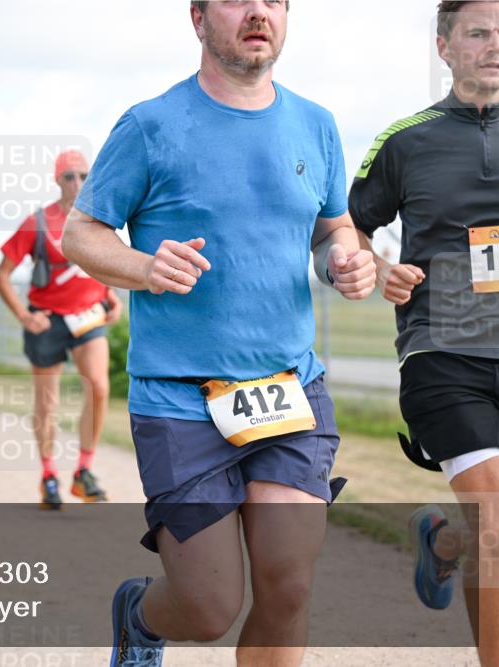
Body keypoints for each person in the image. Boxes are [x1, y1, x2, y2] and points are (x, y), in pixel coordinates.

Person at [61, 2, 377, 664]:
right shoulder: (151, 125)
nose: (258, 11)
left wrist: (343, 260)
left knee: (288, 586)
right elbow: (81, 234)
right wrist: (146, 267)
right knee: (208, 608)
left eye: (274, 0)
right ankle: (141, 615)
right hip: (181, 400)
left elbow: (332, 228)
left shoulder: (315, 125)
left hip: (290, 387)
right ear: (199, 18)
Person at [349, 2, 499, 663]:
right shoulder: (405, 138)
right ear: (445, 46)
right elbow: (343, 230)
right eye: (478, 33)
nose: (494, 46)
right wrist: (376, 265)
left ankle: (440, 542)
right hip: (444, 351)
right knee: (494, 519)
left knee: (484, 525)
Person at [0, 150, 123, 509]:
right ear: (57, 180)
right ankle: (48, 475)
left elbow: (98, 266)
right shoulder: (38, 222)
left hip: (87, 318)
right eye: (70, 176)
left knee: (98, 387)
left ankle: (83, 471)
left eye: (84, 176)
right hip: (47, 318)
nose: (78, 183)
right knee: (47, 402)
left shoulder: (97, 221)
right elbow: (1, 275)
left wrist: (110, 296)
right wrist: (24, 315)